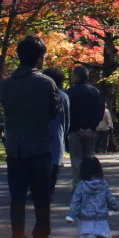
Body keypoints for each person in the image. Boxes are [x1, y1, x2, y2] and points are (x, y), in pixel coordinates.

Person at [0, 35, 61, 238]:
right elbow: (55, 111)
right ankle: (41, 236)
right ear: (38, 58)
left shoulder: (7, 84)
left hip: (15, 146)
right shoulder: (46, 83)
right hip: (40, 145)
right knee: (41, 194)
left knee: (17, 196)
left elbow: (6, 108)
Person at [66, 156, 118, 238]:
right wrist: (114, 205)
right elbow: (109, 196)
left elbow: (76, 200)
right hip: (101, 214)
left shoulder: (82, 184)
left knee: (85, 234)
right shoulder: (103, 183)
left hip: (85, 215)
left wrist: (71, 215)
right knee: (100, 233)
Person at [66, 65, 105, 189]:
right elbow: (99, 110)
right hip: (90, 131)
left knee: (76, 159)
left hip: (75, 131)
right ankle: (89, 183)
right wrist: (91, 127)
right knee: (88, 158)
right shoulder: (95, 92)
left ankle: (78, 185)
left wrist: (77, 127)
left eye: (73, 74)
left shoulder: (70, 93)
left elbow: (68, 112)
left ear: (77, 76)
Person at [42, 67, 70, 202]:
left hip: (40, 132)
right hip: (57, 132)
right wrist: (65, 133)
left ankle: (36, 189)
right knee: (54, 162)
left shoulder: (39, 94)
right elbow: (67, 119)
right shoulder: (64, 96)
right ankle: (50, 190)